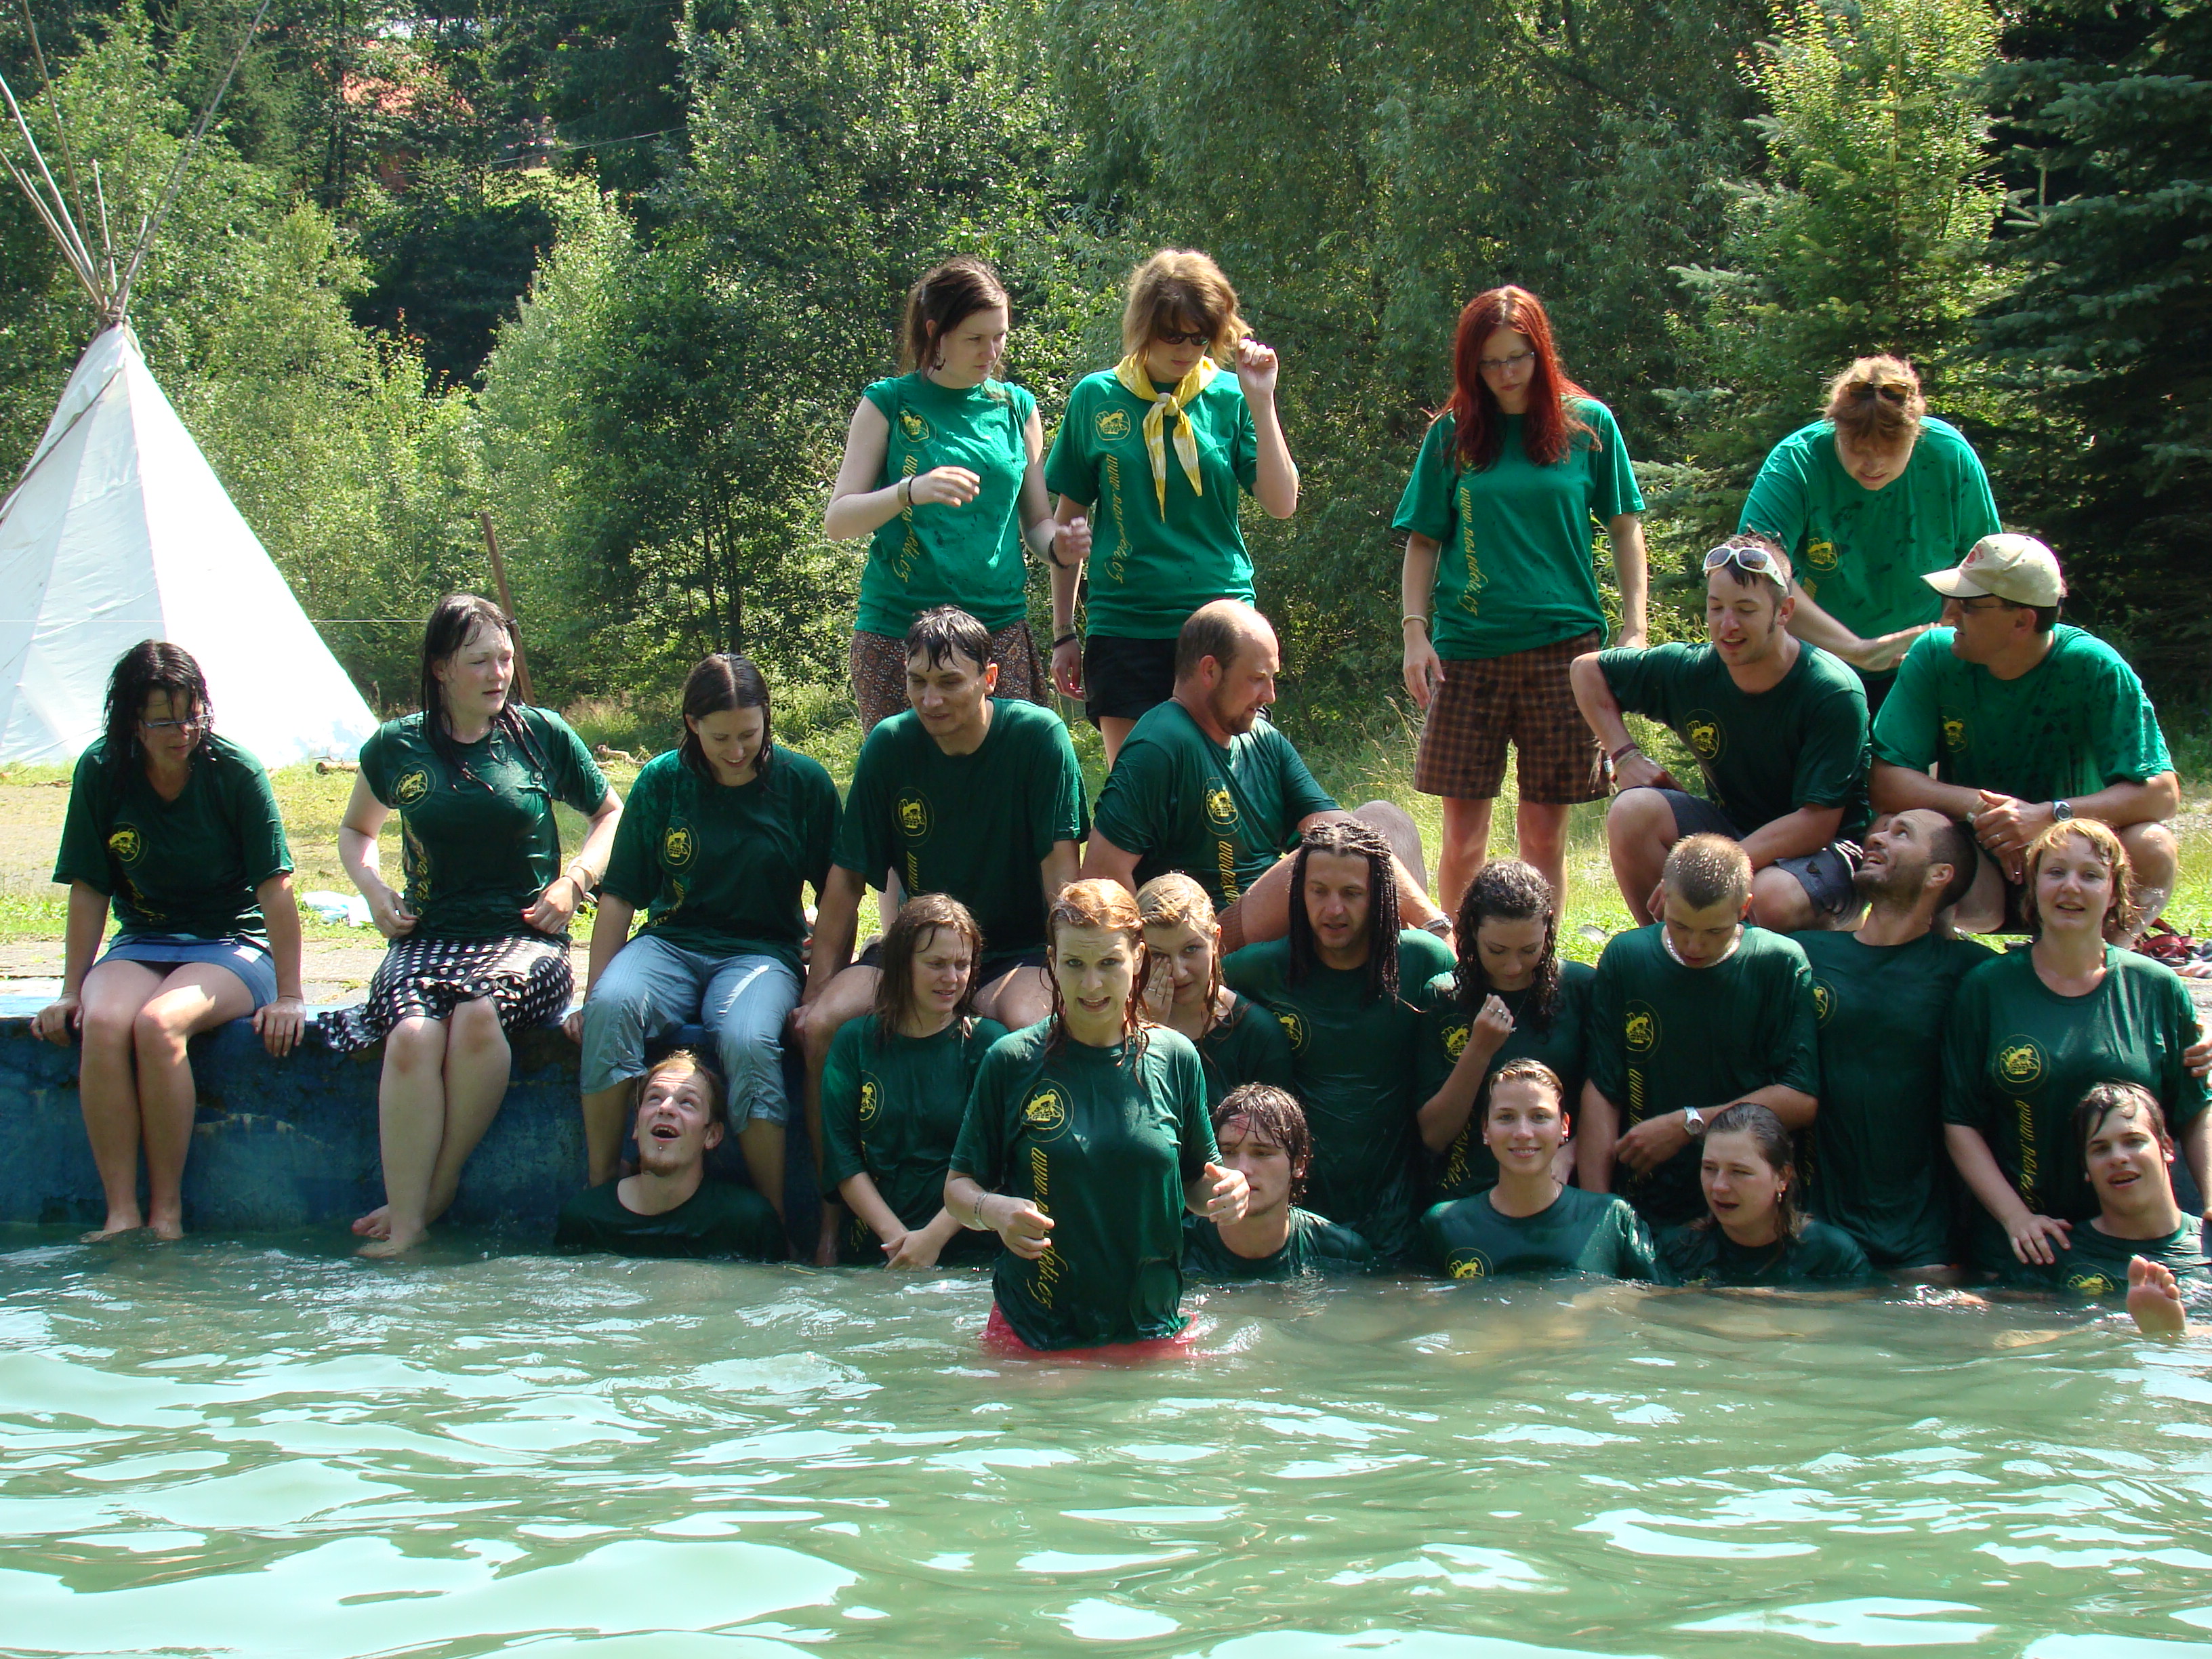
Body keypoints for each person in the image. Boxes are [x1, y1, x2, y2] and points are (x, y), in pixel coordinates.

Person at [325, 594, 621, 1256]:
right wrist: (373, 890)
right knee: (411, 1036)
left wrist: (575, 881)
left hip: (526, 938)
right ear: (440, 668)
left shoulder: (540, 734)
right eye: (481, 661)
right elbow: (355, 831)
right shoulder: (396, 746)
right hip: (427, 936)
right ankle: (407, 1225)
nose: (499, 674)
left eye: (506, 659)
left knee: (479, 1018)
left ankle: (437, 1186)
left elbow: (610, 813)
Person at [797, 605, 1087, 1258]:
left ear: (990, 678)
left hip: (1014, 952)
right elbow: (845, 885)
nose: (931, 700)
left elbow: (1062, 882)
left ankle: (1031, 1218)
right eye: (917, 682)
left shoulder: (1037, 737)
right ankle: (828, 1222)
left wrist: (1070, 977)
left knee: (1032, 1030)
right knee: (821, 1027)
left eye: (950, 682)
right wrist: (815, 992)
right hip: (915, 950)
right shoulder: (890, 745)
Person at [36, 642, 306, 1242]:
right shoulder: (102, 770)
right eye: (163, 721)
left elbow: (276, 889)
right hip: (143, 939)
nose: (182, 732)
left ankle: (166, 1215)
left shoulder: (234, 771)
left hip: (233, 943)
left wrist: (290, 995)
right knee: (104, 1022)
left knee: (159, 1025)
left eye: (192, 716)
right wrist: (69, 990)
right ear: (132, 722)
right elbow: (90, 889)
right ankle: (120, 1213)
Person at [1396, 285, 1650, 913]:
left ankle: (1539, 959)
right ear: (1471, 366)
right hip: (1468, 651)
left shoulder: (1589, 427)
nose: (1506, 374)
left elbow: (1625, 527)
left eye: (1518, 357)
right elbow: (1423, 542)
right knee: (1463, 839)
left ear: (1542, 351)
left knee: (1543, 838)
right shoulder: (1453, 435)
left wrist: (1635, 627)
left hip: (1565, 652)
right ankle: (1462, 956)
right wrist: (1414, 633)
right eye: (1490, 362)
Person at [568, 655, 839, 1211]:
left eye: (749, 734)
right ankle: (603, 1190)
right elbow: (619, 896)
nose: (737, 751)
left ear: (767, 718)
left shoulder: (803, 783)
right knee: (612, 1009)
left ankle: (770, 1218)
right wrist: (592, 997)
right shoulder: (662, 780)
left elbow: (839, 895)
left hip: (763, 952)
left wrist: (818, 991)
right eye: (720, 738)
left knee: (747, 1038)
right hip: (670, 941)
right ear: (692, 724)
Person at [945, 879, 1250, 1353]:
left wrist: (1226, 1192)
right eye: (1075, 964)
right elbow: (958, 1189)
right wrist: (995, 1211)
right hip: (1033, 1333)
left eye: (1109, 963)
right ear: (1052, 963)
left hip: (1151, 1327)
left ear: (1138, 960)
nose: (1091, 985)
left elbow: (1197, 1183)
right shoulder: (1011, 1061)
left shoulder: (1176, 1058)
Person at [1044, 249, 1299, 762]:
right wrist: (1063, 632)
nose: (1187, 349)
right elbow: (1069, 522)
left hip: (1221, 621)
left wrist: (1262, 400)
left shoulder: (1231, 395)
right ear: (1144, 326)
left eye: (1200, 337)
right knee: (1137, 787)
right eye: (1172, 336)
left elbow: (1282, 502)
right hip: (1127, 623)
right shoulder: (1096, 396)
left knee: (1232, 785)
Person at [1085, 600, 1446, 949]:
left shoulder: (1263, 739)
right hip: (1208, 940)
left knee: (1388, 820)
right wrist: (1156, 962)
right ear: (1210, 671)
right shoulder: (1158, 746)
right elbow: (1101, 873)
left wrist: (1434, 920)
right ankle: (1423, 950)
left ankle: (1418, 952)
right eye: (1258, 679)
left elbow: (1340, 827)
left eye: (1272, 679)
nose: (1270, 696)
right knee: (1312, 859)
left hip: (1278, 927)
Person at [1869, 534, 2179, 937]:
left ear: (2022, 621)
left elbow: (2162, 794)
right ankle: (1937, 961)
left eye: (1968, 606)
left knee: (2153, 845)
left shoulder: (2094, 667)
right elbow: (1886, 782)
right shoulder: (1933, 655)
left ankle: (2107, 958)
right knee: (1892, 829)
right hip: (1975, 868)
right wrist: (1987, 814)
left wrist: (2045, 817)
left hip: (2073, 861)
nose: (1949, 615)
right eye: (1951, 600)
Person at [1943, 821, 2209, 1276]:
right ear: (2032, 886)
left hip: (2140, 1247)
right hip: (2029, 1247)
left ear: (2115, 892)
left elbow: (2195, 1109)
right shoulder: (1986, 989)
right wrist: (2015, 1218)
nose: (2071, 887)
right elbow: (1960, 1122)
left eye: (2090, 875)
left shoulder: (2155, 986)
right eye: (2056, 872)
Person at [1572, 535, 1869, 933]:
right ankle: (1665, 950)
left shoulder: (1832, 691)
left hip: (1826, 851)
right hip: (1734, 828)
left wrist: (1715, 864)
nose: (1728, 625)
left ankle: (1796, 960)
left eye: (1746, 610)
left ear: (1784, 612)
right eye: (1716, 608)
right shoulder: (1691, 669)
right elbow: (1586, 670)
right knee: (1632, 811)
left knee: (1770, 896)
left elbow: (1816, 823)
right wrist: (1625, 756)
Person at [824, 256, 1068, 731]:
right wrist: (909, 491)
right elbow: (839, 521)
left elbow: (1038, 525)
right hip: (900, 633)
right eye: (975, 339)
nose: (991, 352)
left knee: (1008, 771)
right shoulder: (888, 402)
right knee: (907, 776)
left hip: (998, 630)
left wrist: (1061, 546)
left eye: (1000, 336)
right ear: (935, 333)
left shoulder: (1018, 408)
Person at [1222, 819, 1457, 1259]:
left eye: (1352, 893)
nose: (1333, 909)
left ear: (1381, 896)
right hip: (1305, 1217)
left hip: (1400, 1209)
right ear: (1299, 893)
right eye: (1319, 892)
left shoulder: (1422, 961)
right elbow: (1193, 1003)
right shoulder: (1262, 970)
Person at [1579, 835, 1820, 1230]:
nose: (1694, 944)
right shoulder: (1628, 958)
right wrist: (1598, 1210)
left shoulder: (1778, 963)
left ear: (1745, 908)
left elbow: (1799, 1098)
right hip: (1647, 1199)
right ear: (1662, 897)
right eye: (1680, 926)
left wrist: (1688, 1124)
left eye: (1715, 931)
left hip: (1747, 1209)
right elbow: (1604, 1086)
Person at [1738, 354, 2002, 705]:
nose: (1874, 464)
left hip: (1926, 660)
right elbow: (1755, 567)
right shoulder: (1797, 461)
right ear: (1837, 429)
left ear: (1916, 435)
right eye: (1858, 449)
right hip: (1813, 662)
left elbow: (1986, 562)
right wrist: (1857, 650)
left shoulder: (1949, 454)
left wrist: (1951, 627)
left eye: (1891, 450)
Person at [1792, 808, 1990, 1273]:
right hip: (1817, 1231)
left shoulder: (1972, 972)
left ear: (1940, 874)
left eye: (1902, 834)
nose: (1878, 839)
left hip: (1927, 1243)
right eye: (1881, 830)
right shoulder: (1805, 954)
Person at [819, 894, 1006, 1268]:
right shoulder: (855, 1042)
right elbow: (842, 1158)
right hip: (876, 1252)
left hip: (969, 1256)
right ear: (902, 964)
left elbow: (996, 1162)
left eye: (962, 965)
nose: (951, 979)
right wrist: (899, 1242)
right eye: (936, 964)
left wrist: (931, 1240)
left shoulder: (989, 1046)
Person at [1414, 859, 1593, 1207]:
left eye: (1529, 950)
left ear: (1548, 929)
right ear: (1472, 931)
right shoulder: (1445, 998)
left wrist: (1573, 1150)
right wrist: (1479, 1050)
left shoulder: (1580, 988)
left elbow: (1607, 1098)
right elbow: (1433, 1136)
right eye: (1496, 951)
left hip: (1561, 1188)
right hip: (1469, 1195)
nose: (1513, 967)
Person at [1418, 1060, 1658, 1282]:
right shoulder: (1446, 1226)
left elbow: (1649, 1303)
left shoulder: (1611, 1220)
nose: (1523, 1132)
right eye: (1506, 1117)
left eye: (1540, 1117)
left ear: (1564, 1127)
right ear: (1485, 1129)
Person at [2003, 1084, 2205, 1337]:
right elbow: (2006, 1336)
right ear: (2085, 1167)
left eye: (2133, 1141)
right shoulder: (2052, 1257)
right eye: (2101, 1149)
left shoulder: (2207, 1244)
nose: (2118, 1158)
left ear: (2166, 1148)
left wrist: (2176, 1332)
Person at [554, 1049, 785, 1261]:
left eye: (687, 1102)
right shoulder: (586, 1218)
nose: (665, 1108)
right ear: (637, 1126)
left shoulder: (748, 1222)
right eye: (654, 1098)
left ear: (712, 1135)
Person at [1656, 1102, 1873, 1286]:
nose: (1719, 1187)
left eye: (1739, 1172)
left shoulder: (1831, 1257)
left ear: (1782, 1177)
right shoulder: (1678, 1252)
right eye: (1710, 1169)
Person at [1183, 1084, 1380, 1280]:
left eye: (1261, 1153)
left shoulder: (1344, 1254)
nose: (1242, 1169)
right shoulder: (1178, 1248)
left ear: (1299, 1164)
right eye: (1228, 1152)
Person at [1134, 874, 1295, 1107]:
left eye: (1191, 949)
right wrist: (1147, 1035)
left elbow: (1274, 1127)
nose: (1179, 972)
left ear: (1216, 940)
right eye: (1158, 955)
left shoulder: (1257, 1035)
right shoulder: (1115, 1026)